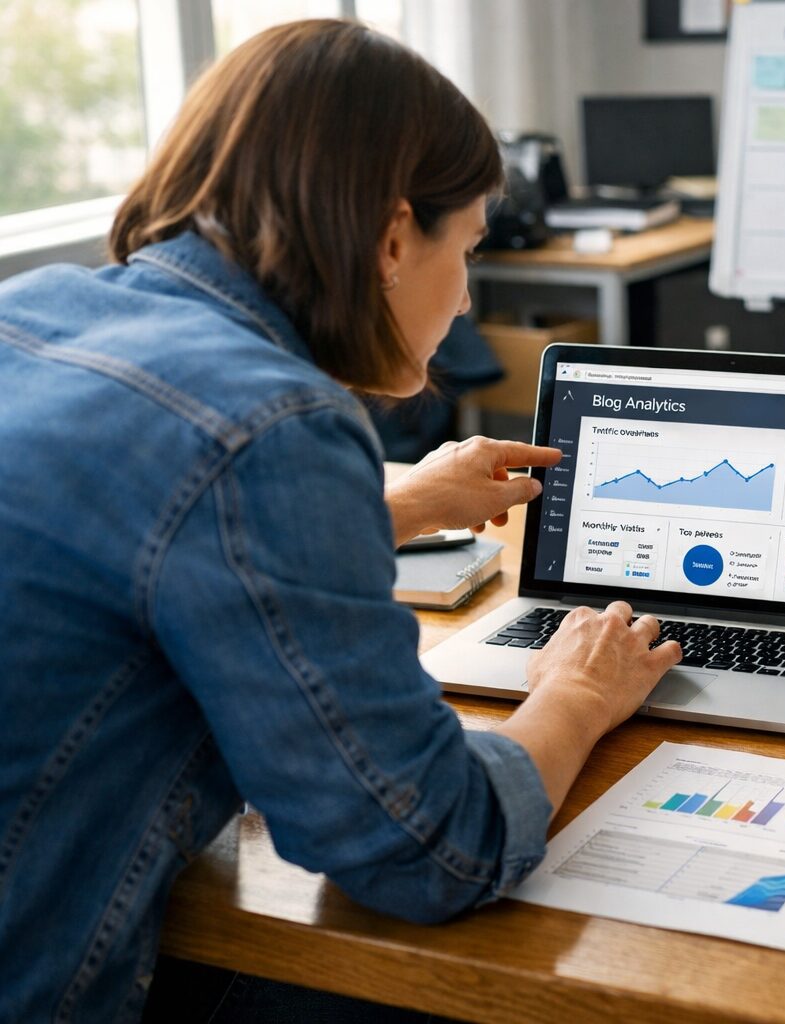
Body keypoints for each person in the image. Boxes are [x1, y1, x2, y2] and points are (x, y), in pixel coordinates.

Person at [0, 19, 681, 1021]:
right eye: (471, 249)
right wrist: (576, 693)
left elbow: (149, 544)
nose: (461, 301)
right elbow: (422, 846)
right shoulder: (273, 425)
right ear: (396, 237)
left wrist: (396, 505)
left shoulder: (38, 309)